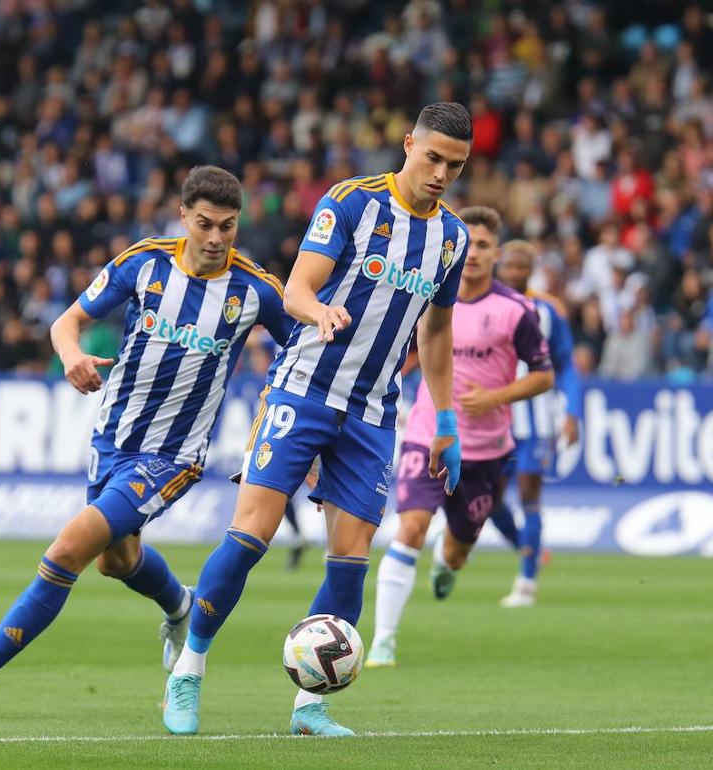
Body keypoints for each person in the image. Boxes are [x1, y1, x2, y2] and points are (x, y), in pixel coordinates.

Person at [0, 167, 294, 715]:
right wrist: (71, 356)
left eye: (228, 227)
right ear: (183, 216)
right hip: (111, 439)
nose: (216, 239)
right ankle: (181, 605)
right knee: (115, 562)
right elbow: (66, 322)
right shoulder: (143, 263)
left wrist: (280, 419)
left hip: (173, 457)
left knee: (68, 550)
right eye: (206, 224)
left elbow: (303, 359)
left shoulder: (257, 289)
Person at [161, 102, 473, 737]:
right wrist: (317, 314)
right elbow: (298, 288)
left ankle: (310, 706)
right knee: (251, 535)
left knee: (351, 557)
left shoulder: (455, 238)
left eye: (455, 165)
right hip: (303, 388)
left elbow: (438, 331)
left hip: (375, 410)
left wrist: (445, 418)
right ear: (408, 143)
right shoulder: (352, 203)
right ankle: (188, 669)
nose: (441, 173)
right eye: (433, 156)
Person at [365, 209, 553, 668]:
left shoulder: (516, 310)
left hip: (487, 450)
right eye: (469, 243)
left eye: (485, 245)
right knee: (409, 527)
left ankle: (447, 565)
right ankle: (382, 641)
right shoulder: (429, 299)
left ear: (496, 254)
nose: (474, 254)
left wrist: (495, 397)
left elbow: (544, 376)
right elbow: (406, 352)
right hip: (428, 435)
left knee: (457, 547)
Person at [485, 239, 583, 607]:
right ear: (500, 266)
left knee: (529, 494)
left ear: (530, 271)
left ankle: (527, 582)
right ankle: (527, 548)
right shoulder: (480, 303)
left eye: (521, 268)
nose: (514, 273)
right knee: (490, 501)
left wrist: (572, 412)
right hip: (495, 418)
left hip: (537, 419)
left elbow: (566, 363)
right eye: (509, 266)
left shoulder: (547, 310)